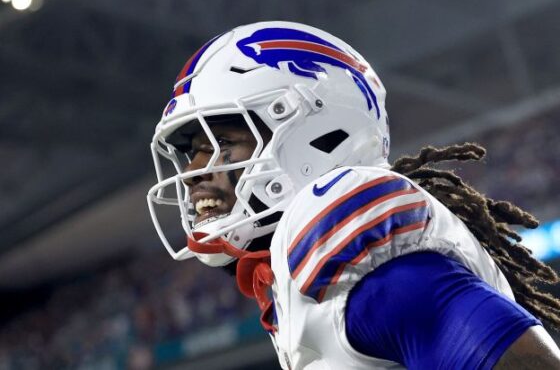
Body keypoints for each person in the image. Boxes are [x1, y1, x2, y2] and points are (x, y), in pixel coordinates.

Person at [147, 21, 560, 369]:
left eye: (220, 143)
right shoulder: (291, 285)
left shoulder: (352, 255)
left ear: (315, 136)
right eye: (191, 153)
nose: (192, 173)